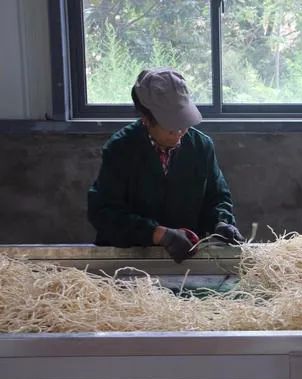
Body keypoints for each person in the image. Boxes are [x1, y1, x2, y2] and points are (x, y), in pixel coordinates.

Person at [88, 67, 244, 263]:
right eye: (171, 125)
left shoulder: (200, 147)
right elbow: (103, 213)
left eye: (184, 122)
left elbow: (217, 196)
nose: (180, 131)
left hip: (184, 261)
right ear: (146, 119)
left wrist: (221, 223)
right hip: (131, 262)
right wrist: (158, 234)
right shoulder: (121, 150)